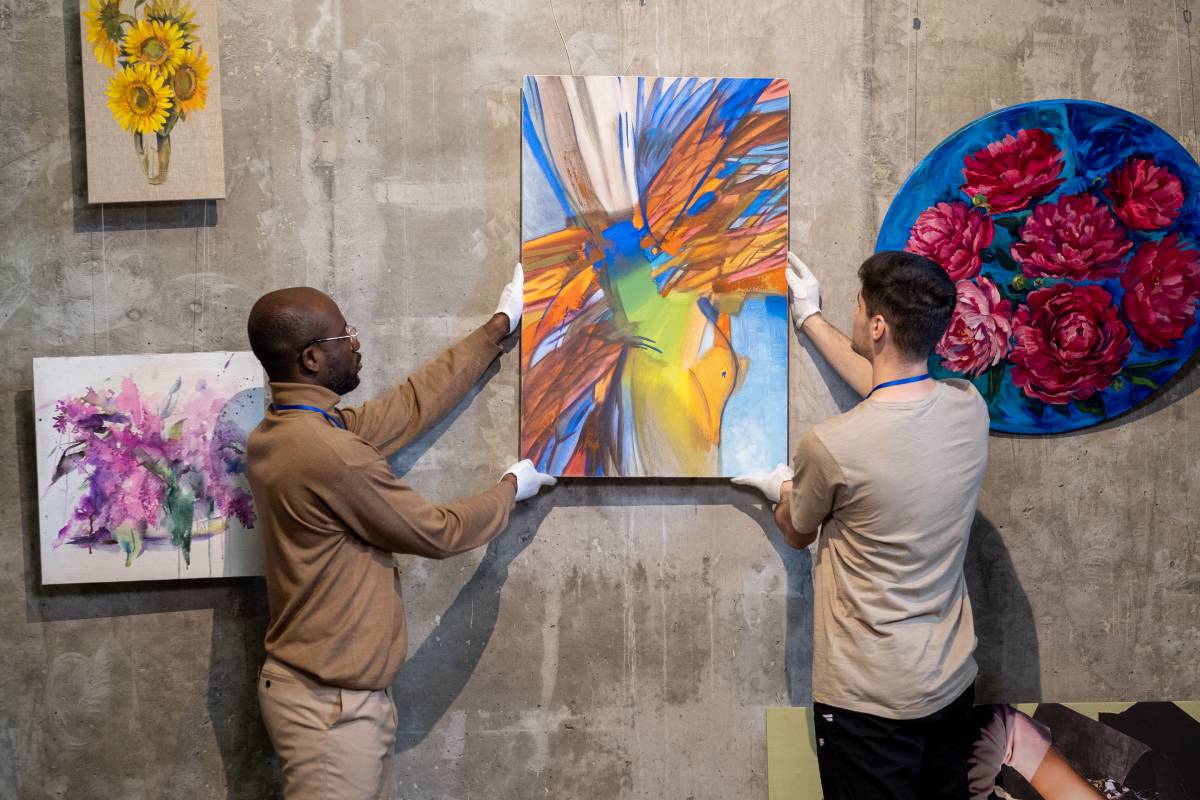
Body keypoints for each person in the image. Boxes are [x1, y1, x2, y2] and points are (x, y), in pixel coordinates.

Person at [244, 263, 556, 800]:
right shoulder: (329, 453)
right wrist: (512, 487)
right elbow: (438, 533)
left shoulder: (287, 432)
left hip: (324, 699)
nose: (357, 344)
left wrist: (497, 326)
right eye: (345, 336)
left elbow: (409, 407)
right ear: (312, 358)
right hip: (330, 712)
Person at [734, 250, 990, 799]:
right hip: (950, 686)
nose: (852, 314)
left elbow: (797, 531)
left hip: (869, 704)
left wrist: (782, 488)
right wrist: (811, 321)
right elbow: (891, 389)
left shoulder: (831, 446)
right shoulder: (969, 408)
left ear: (876, 325)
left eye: (856, 307)